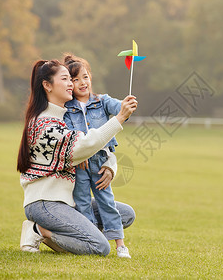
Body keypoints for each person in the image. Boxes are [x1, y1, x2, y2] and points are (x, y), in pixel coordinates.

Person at [18, 59, 138, 256]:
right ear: (47, 85)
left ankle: (72, 238)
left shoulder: (63, 118)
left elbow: (91, 149)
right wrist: (119, 118)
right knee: (100, 247)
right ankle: (38, 230)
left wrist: (109, 166)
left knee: (125, 214)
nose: (71, 84)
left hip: (68, 201)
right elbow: (85, 145)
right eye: (65, 79)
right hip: (45, 202)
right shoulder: (44, 124)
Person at [62, 54, 130, 258]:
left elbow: (119, 108)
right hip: (80, 164)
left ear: (90, 76)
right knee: (82, 201)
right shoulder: (67, 109)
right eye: (75, 80)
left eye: (84, 77)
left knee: (106, 201)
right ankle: (90, 239)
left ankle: (120, 244)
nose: (82, 83)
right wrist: (78, 153)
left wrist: (126, 105)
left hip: (100, 162)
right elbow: (69, 134)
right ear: (69, 85)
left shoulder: (102, 101)